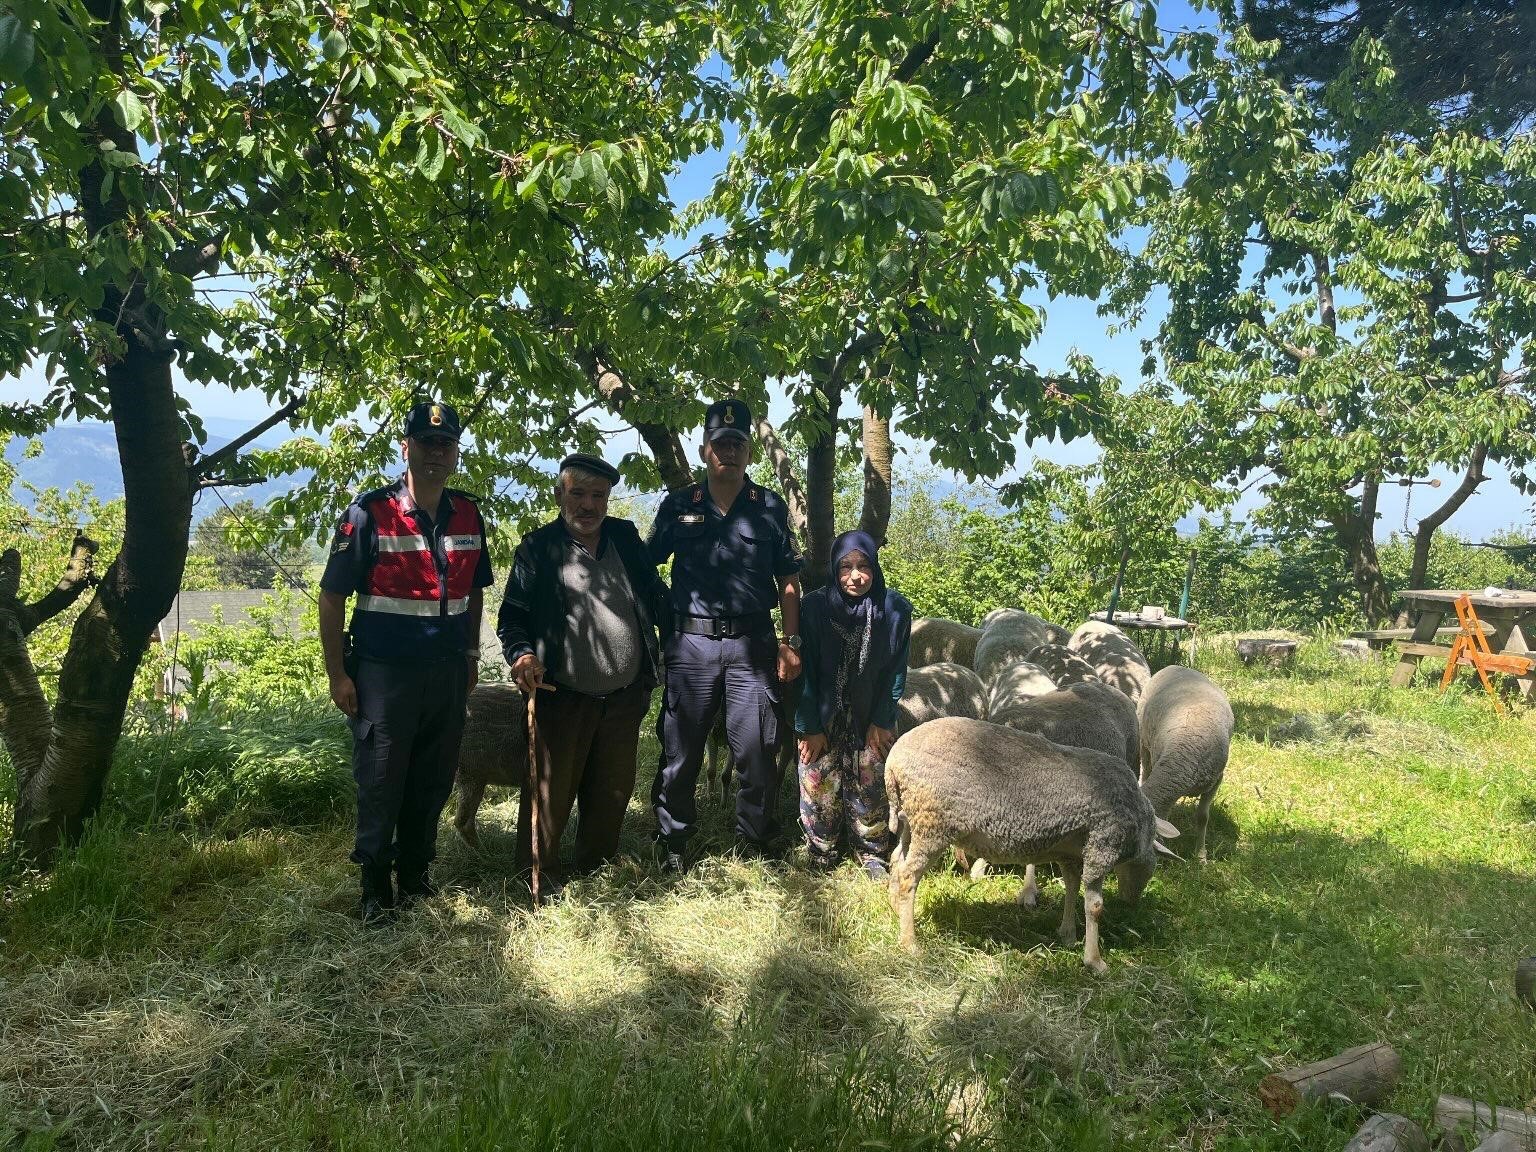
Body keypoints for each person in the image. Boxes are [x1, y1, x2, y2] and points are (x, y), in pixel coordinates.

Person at [319, 400, 493, 925]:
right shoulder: (370, 513)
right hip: (384, 674)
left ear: (455, 452)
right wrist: (338, 674)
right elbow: (331, 597)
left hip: (446, 672)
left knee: (433, 779)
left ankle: (416, 876)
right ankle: (375, 888)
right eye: (427, 443)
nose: (436, 453)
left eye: (446, 444)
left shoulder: (467, 513)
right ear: (407, 448)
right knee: (381, 781)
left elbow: (475, 592)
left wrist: (469, 654)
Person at [495, 453, 670, 893]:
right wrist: (521, 655)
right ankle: (539, 878)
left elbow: (654, 593)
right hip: (561, 694)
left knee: (612, 792)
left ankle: (596, 869)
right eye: (578, 494)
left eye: (598, 495)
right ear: (560, 495)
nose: (589, 505)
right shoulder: (538, 548)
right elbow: (511, 618)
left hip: (625, 695)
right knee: (548, 797)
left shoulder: (625, 538)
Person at [648, 398, 803, 870]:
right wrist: (665, 615)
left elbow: (789, 581)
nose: (728, 453)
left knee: (757, 747)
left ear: (749, 453)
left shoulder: (770, 508)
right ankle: (673, 840)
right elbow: (644, 566)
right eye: (720, 445)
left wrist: (790, 643)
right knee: (681, 748)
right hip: (690, 644)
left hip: (752, 644)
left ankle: (755, 837)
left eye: (737, 445)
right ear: (704, 451)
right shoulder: (680, 505)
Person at [794, 530, 911, 878]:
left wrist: (883, 718)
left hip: (870, 712)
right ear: (834, 568)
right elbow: (804, 672)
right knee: (817, 778)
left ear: (875, 568)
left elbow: (895, 670)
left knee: (871, 778)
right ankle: (822, 848)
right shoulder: (814, 607)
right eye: (845, 567)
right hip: (822, 710)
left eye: (864, 566)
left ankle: (872, 852)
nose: (855, 576)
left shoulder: (894, 610)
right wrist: (809, 727)